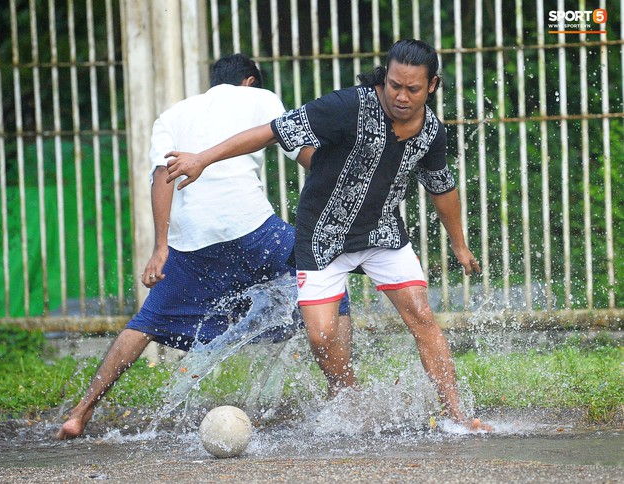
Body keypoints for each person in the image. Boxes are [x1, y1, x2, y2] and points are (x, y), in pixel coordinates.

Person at [163, 40, 492, 431]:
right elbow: (272, 131)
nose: (401, 96)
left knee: (422, 314)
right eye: (394, 85)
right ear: (384, 78)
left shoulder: (431, 133)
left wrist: (458, 242)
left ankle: (458, 415)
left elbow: (442, 187)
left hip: (382, 232)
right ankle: (346, 396)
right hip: (323, 235)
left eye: (413, 89)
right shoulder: (347, 107)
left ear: (432, 85)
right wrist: (201, 158)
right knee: (321, 336)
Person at [57, 54, 351, 440]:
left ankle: (80, 413)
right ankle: (344, 394)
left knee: (146, 322)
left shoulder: (172, 115)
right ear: (249, 81)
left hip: (190, 241)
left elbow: (162, 174)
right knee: (328, 284)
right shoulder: (259, 97)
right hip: (251, 227)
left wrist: (161, 247)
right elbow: (305, 155)